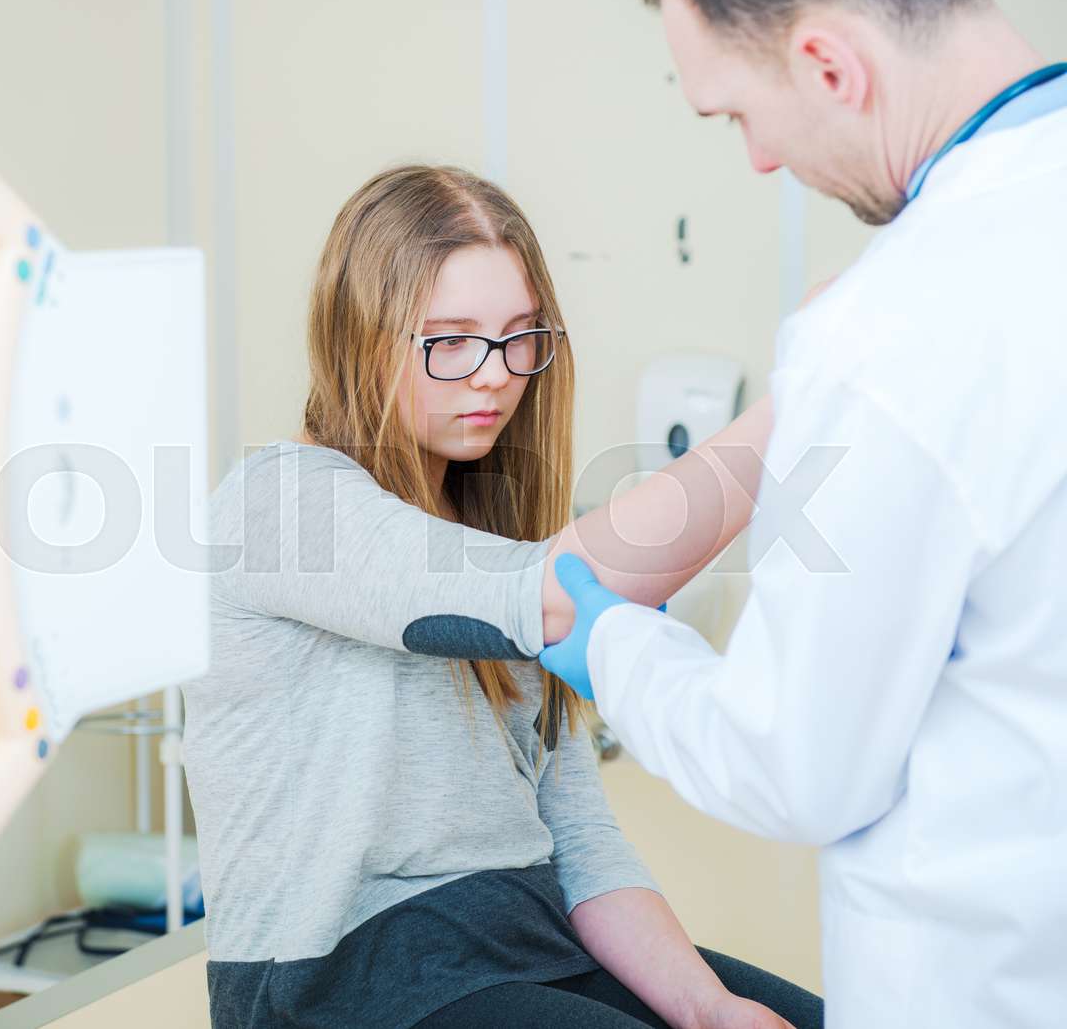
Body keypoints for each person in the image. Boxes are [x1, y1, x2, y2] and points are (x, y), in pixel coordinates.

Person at [538, 0, 1067, 1027]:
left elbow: (791, 764)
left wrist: (611, 648)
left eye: (738, 111)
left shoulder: (896, 324)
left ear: (828, 63)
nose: (760, 158)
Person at [182, 164, 820, 1029]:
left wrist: (708, 1009)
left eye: (520, 337)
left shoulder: (498, 540)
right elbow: (560, 593)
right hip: (340, 981)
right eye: (450, 340)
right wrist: (813, 399)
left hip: (524, 944)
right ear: (356, 337)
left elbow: (582, 842)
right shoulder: (279, 502)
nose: (495, 376)